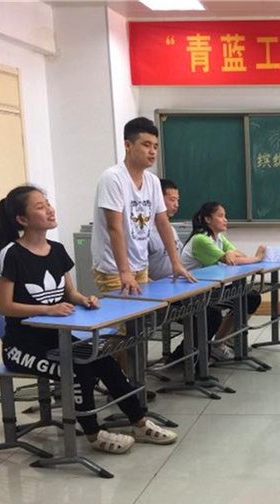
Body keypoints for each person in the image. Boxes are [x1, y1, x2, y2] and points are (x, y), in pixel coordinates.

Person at [0, 185, 177, 454]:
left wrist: (84, 299)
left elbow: (69, 292)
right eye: (40, 207)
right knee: (79, 370)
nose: (50, 209)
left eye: (48, 203)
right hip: (21, 347)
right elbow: (4, 306)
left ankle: (138, 421)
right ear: (22, 219)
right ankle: (93, 434)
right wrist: (48, 310)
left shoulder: (56, 250)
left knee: (102, 359)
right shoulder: (11, 253)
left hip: (57, 337)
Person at [91, 117, 194, 296]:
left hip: (141, 265)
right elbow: (114, 227)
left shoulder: (152, 181)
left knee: (144, 313)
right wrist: (124, 272)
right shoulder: (113, 178)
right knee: (124, 313)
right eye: (146, 145)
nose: (152, 152)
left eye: (155, 146)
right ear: (128, 145)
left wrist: (176, 263)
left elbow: (162, 222)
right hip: (114, 268)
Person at [148, 180, 226, 363]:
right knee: (207, 315)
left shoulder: (170, 229)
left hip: (178, 289)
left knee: (211, 313)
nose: (176, 204)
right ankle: (190, 360)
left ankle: (186, 357)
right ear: (156, 199)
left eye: (178, 200)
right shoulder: (145, 233)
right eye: (172, 200)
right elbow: (140, 272)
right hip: (160, 295)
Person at [180, 201, 265, 354]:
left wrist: (230, 253)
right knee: (219, 311)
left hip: (210, 287)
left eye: (225, 216)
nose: (225, 220)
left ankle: (219, 342)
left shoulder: (218, 237)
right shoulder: (201, 239)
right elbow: (232, 260)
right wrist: (257, 258)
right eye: (220, 216)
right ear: (208, 219)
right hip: (192, 291)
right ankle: (202, 351)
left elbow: (239, 255)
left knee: (251, 297)